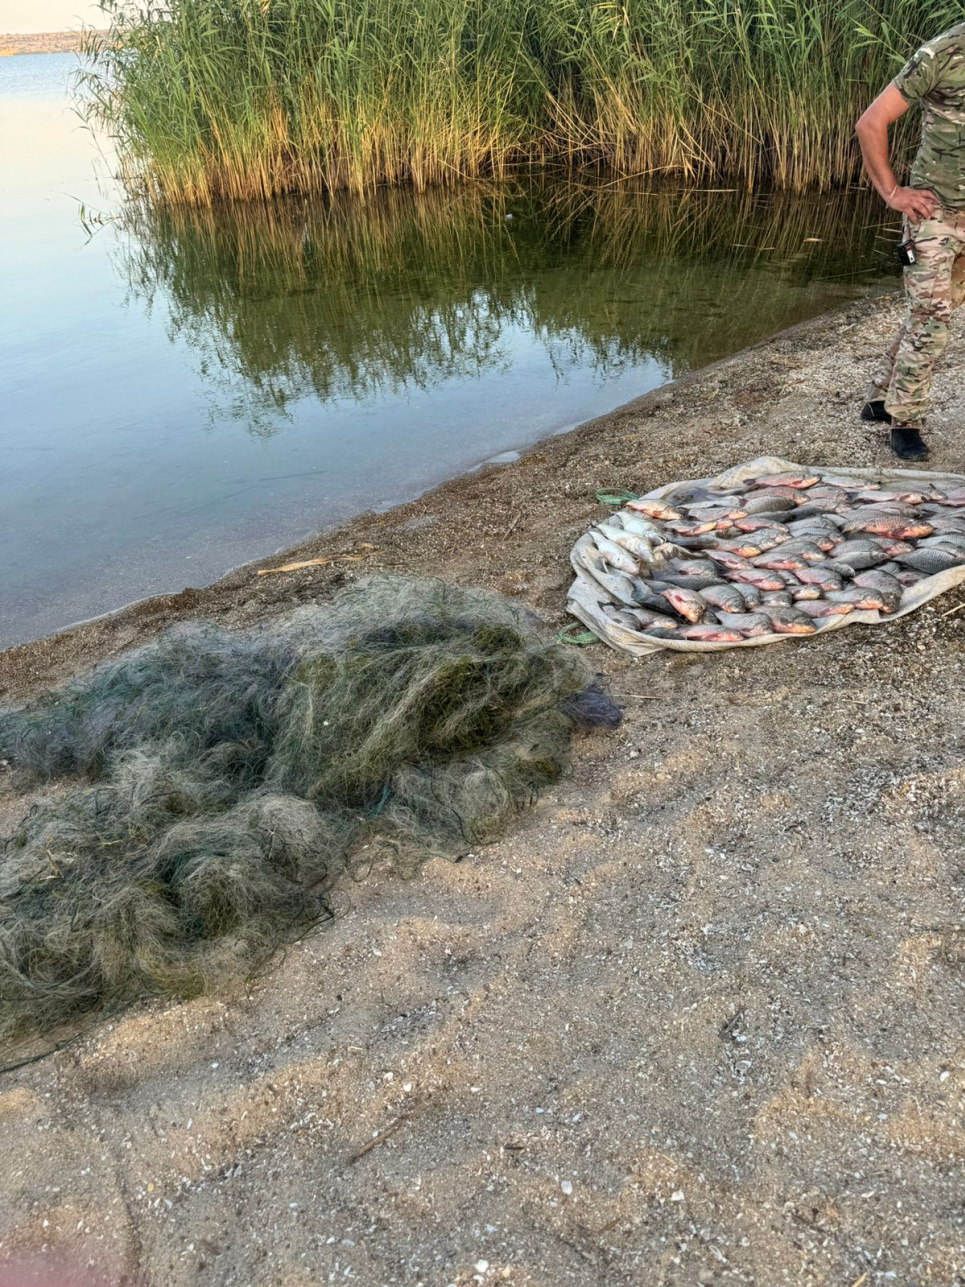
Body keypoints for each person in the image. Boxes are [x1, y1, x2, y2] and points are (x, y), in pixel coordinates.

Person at [855, 23, 965, 462]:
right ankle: (905, 421)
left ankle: (881, 398)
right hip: (933, 214)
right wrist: (893, 193)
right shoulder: (943, 53)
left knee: (931, 311)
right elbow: (871, 122)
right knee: (932, 320)